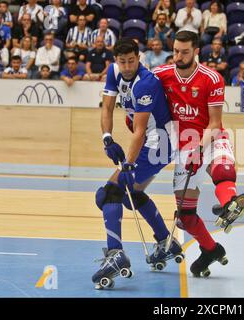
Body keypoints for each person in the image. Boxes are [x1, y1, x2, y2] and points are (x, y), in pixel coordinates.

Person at [154, 31, 244, 277]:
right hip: (183, 146)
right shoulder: (162, 74)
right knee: (185, 216)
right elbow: (139, 85)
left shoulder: (212, 78)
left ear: (196, 51)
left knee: (223, 169)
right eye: (176, 50)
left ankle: (230, 203)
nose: (178, 56)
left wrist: (199, 148)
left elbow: (215, 123)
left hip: (210, 136)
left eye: (184, 51)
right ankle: (211, 250)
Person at [92, 38, 183, 289]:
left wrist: (129, 164)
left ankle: (115, 254)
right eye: (122, 61)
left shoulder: (146, 84)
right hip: (149, 142)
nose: (127, 66)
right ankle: (166, 242)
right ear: (115, 61)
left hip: (157, 145)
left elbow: (140, 131)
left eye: (132, 60)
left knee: (109, 193)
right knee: (130, 193)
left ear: (138, 57)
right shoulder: (113, 72)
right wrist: (107, 138)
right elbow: (107, 109)